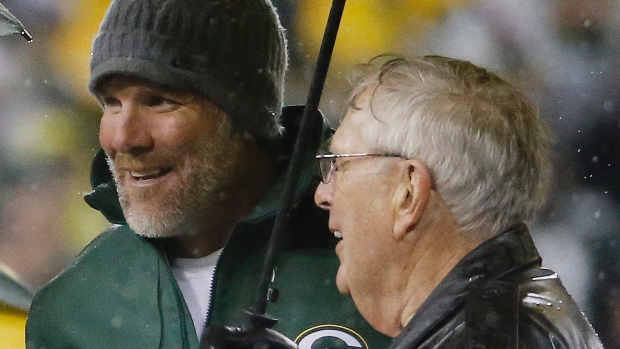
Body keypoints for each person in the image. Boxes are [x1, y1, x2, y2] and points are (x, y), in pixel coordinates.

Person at [25, 0, 391, 348]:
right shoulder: (72, 308)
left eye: (158, 101)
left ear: (245, 117)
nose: (123, 138)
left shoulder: (380, 255)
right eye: (111, 103)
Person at [314, 55, 604, 348]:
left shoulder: (481, 339)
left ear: (408, 194)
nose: (322, 195)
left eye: (340, 165)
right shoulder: (523, 317)